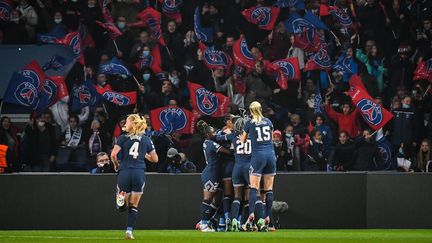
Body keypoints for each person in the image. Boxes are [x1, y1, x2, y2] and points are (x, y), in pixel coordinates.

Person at [111, 114, 158, 240]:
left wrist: (116, 165)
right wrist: (144, 155)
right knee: (134, 205)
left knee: (122, 204)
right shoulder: (147, 139)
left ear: (132, 123)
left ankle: (121, 203)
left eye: (126, 121)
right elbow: (155, 159)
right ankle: (129, 231)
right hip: (139, 172)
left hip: (125, 171)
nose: (124, 123)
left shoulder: (122, 138)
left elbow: (113, 154)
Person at [240, 101, 276, 231]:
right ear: (261, 109)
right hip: (270, 155)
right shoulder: (268, 121)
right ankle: (268, 220)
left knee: (254, 187)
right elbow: (270, 138)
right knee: (269, 189)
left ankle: (250, 217)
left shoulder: (249, 122)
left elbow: (243, 141)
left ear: (250, 110)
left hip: (258, 156)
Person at [197, 122, 232, 232]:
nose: (215, 133)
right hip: (211, 173)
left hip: (216, 173)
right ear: (207, 134)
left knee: (217, 201)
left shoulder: (208, 142)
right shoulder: (211, 143)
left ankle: (207, 220)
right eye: (213, 132)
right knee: (208, 199)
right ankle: (203, 224)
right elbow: (228, 152)